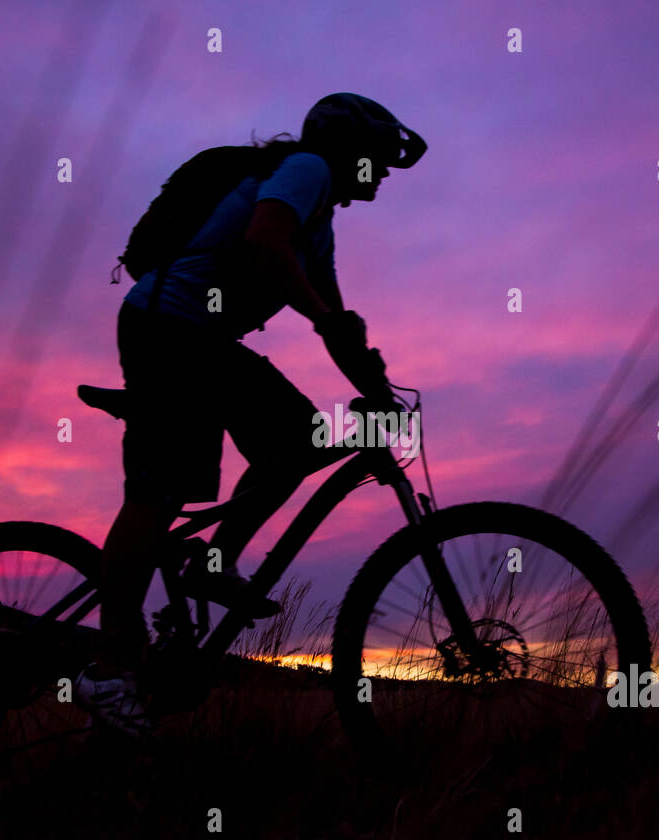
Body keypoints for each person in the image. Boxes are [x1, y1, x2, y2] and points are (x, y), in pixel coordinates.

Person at [75, 93, 427, 738]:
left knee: (294, 444)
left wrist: (374, 382)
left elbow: (333, 322)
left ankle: (213, 565)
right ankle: (107, 668)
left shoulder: (319, 225)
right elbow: (264, 243)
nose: (379, 175)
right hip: (169, 328)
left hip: (200, 339)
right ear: (351, 151)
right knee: (160, 491)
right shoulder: (308, 170)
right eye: (376, 160)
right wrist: (329, 321)